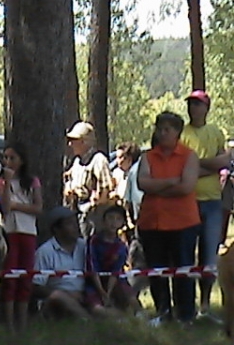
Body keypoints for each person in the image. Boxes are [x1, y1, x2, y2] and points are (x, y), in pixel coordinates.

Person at [137, 111, 200, 325]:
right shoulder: (147, 156)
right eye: (159, 129)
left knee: (183, 268)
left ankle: (186, 314)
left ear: (178, 133)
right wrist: (171, 181)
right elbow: (142, 183)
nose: (162, 133)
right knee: (156, 269)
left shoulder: (189, 156)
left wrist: (157, 187)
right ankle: (162, 311)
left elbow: (187, 186)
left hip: (182, 222)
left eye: (167, 129)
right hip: (151, 222)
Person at [180, 90, 227, 319]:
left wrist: (197, 166)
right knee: (186, 255)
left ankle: (205, 306)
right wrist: (210, 167)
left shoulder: (216, 132)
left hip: (213, 202)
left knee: (209, 255)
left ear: (206, 107)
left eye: (197, 104)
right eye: (191, 104)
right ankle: (186, 306)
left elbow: (225, 161)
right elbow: (181, 168)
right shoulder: (181, 133)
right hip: (187, 202)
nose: (193, 108)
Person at [0, 142, 43, 334]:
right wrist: (7, 183)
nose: (8, 162)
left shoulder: (31, 181)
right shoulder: (0, 182)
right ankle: (8, 324)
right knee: (10, 276)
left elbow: (37, 208)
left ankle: (22, 323)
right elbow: (5, 208)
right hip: (9, 231)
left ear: (22, 161)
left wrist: (17, 206)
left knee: (25, 276)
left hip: (28, 231)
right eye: (6, 157)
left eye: (12, 158)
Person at [84, 205, 144, 318]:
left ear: (122, 223)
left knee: (130, 297)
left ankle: (142, 317)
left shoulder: (121, 246)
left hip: (115, 282)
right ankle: (122, 318)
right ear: (103, 221)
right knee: (98, 310)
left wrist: (108, 292)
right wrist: (101, 292)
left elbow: (115, 272)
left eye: (118, 219)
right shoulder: (93, 241)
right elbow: (92, 267)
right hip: (93, 283)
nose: (113, 222)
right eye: (110, 218)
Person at [31, 206, 90, 320]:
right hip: (58, 299)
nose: (76, 227)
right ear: (56, 229)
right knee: (58, 297)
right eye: (69, 224)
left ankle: (125, 320)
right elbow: (36, 286)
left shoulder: (85, 246)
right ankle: (88, 321)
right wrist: (66, 294)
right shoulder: (45, 251)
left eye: (76, 222)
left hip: (85, 294)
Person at [64, 121, 113, 237]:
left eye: (74, 140)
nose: (70, 144)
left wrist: (93, 205)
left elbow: (106, 188)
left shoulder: (98, 160)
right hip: (76, 212)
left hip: (93, 217)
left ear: (84, 142)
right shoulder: (77, 162)